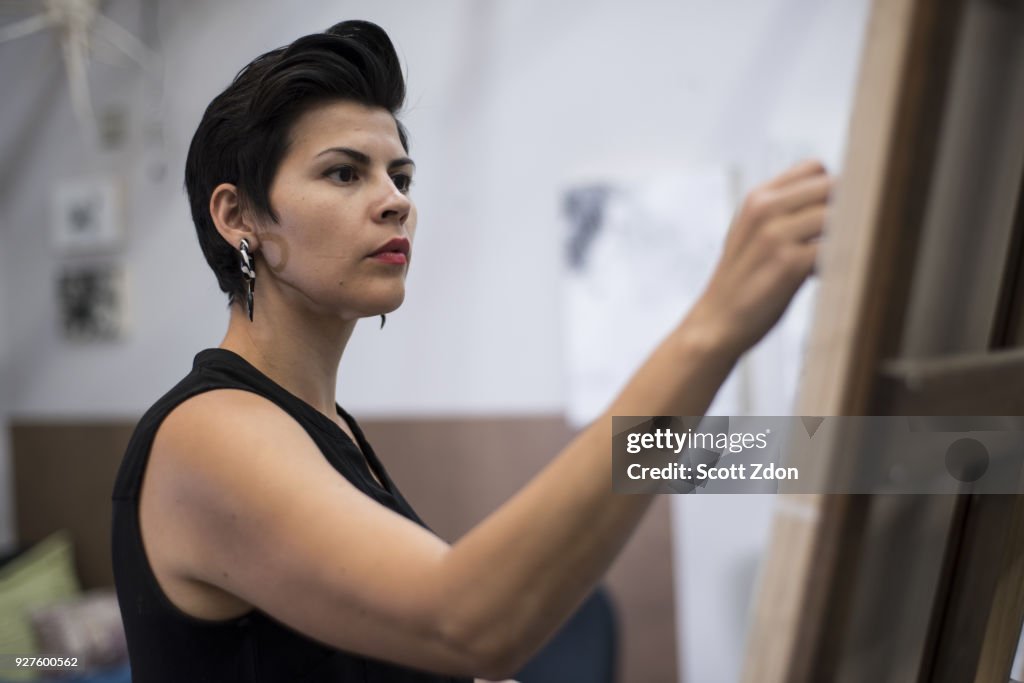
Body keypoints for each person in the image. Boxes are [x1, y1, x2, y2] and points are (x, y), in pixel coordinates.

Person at [111, 19, 832, 683]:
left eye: (402, 175)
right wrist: (714, 328)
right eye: (344, 172)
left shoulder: (325, 428)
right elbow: (470, 621)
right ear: (239, 217)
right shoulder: (211, 435)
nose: (394, 200)